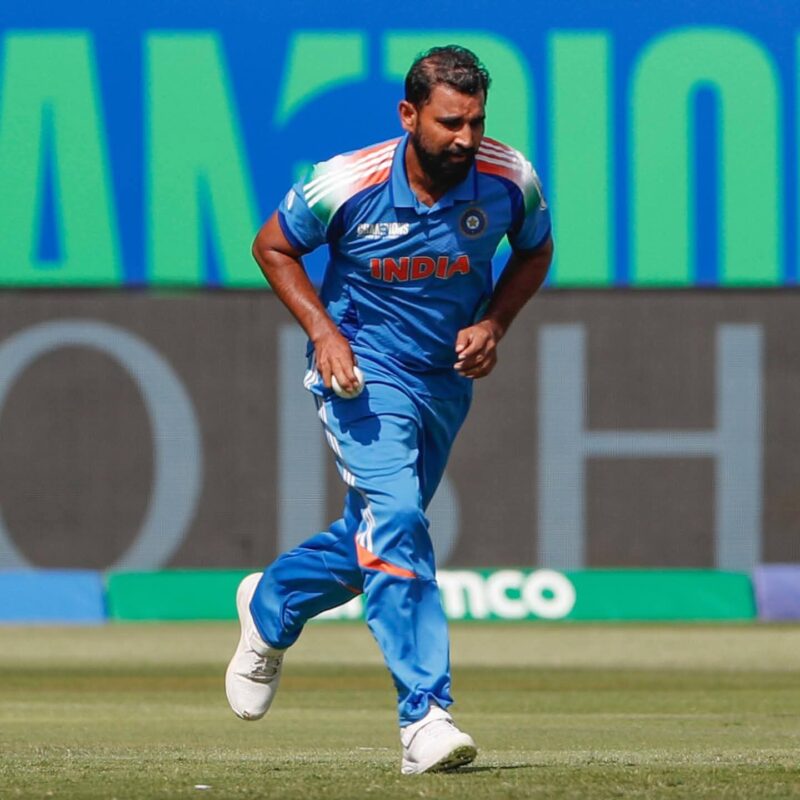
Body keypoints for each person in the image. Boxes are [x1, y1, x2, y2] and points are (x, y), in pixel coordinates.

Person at [226, 44, 553, 774]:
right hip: (362, 377)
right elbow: (272, 246)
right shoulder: (342, 184)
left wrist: (495, 322)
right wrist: (324, 330)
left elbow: (534, 252)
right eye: (449, 123)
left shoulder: (510, 179)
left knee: (375, 534)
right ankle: (424, 718)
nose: (465, 138)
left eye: (475, 121)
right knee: (398, 521)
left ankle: (273, 600)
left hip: (443, 382)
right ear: (409, 115)